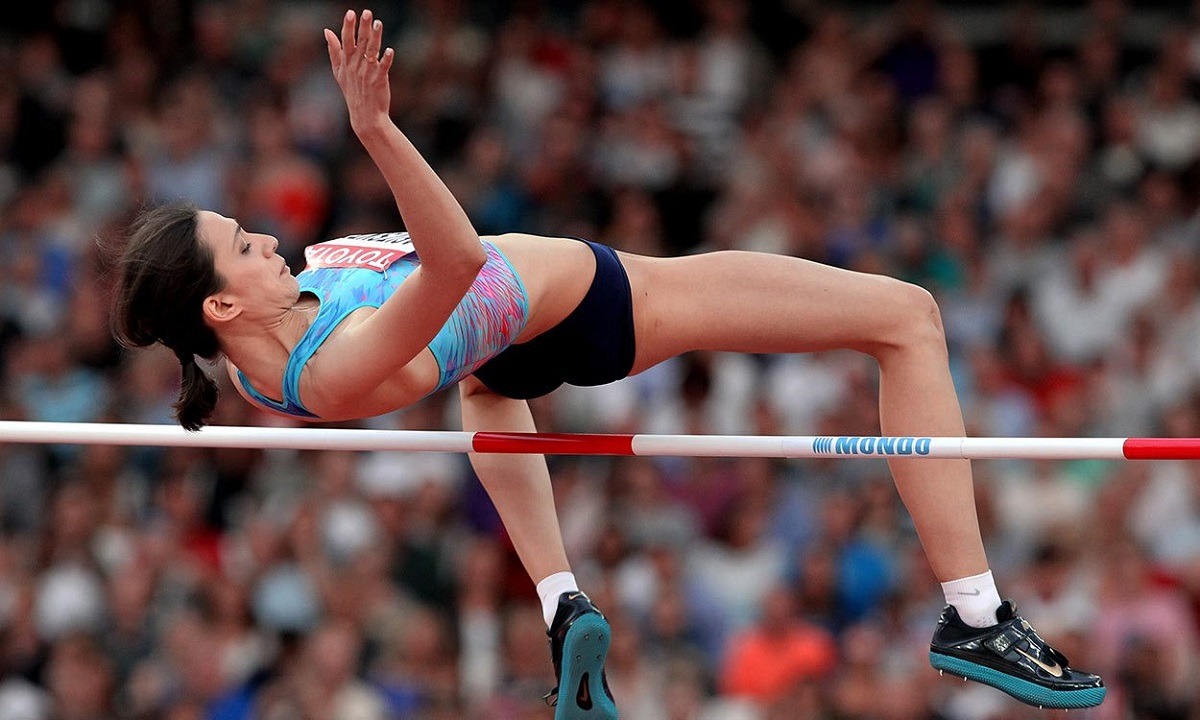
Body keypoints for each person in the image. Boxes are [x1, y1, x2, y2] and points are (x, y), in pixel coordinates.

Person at [112, 9, 1105, 715]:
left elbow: (412, 322)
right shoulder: (323, 371)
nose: (267, 240)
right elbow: (455, 264)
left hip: (505, 353)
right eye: (243, 245)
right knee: (908, 319)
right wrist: (375, 129)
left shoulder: (256, 348)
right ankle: (976, 615)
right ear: (220, 306)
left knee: (486, 388)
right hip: (599, 306)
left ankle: (562, 605)